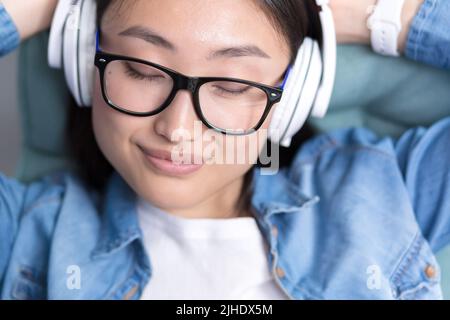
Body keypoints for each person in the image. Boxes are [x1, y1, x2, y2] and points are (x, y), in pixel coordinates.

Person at [0, 0, 449, 300]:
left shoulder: (381, 193)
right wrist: (45, 8)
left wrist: (381, 18)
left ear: (294, 95)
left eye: (232, 86)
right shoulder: (25, 233)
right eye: (140, 70)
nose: (177, 128)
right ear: (84, 60)